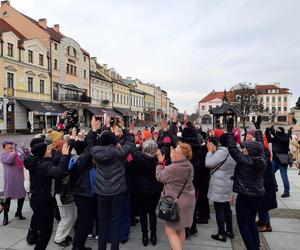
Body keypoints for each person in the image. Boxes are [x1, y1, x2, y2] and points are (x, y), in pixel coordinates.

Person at [90, 130, 134, 250]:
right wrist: (124, 131)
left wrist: (94, 131)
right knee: (115, 223)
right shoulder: (118, 153)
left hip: (101, 192)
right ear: (113, 141)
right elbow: (130, 144)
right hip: (117, 192)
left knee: (102, 224)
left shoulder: (94, 151)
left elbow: (89, 142)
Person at [24, 142, 70, 250]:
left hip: (36, 199)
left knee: (41, 226)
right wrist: (64, 155)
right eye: (48, 149)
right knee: (45, 232)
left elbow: (52, 161)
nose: (51, 151)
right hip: (43, 202)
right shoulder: (44, 165)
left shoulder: (35, 160)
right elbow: (58, 172)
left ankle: (32, 236)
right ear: (42, 153)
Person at [226, 132, 267, 250]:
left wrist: (229, 134)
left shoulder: (247, 162)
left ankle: (251, 247)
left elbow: (233, 150)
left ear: (251, 151)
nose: (243, 149)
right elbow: (261, 146)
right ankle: (256, 246)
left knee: (243, 224)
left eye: (245, 148)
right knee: (251, 221)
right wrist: (258, 133)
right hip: (258, 195)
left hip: (246, 196)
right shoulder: (262, 157)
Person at [156, 143, 195, 250]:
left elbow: (159, 177)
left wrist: (160, 163)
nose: (172, 152)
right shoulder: (189, 165)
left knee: (170, 231)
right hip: (188, 201)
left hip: (177, 204)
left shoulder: (173, 168)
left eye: (175, 151)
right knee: (180, 228)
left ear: (181, 155)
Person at [131, 140, 163, 246]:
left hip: (141, 189)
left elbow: (133, 150)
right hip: (155, 189)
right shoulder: (158, 160)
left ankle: (144, 235)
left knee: (143, 212)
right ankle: (153, 234)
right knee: (152, 212)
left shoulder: (139, 158)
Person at [205, 135, 236, 242]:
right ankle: (230, 231)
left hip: (219, 182)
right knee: (227, 207)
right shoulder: (235, 150)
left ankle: (221, 233)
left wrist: (209, 152)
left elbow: (208, 163)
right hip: (228, 182)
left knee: (219, 208)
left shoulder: (222, 151)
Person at [0, 139, 27, 226]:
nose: (10, 146)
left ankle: (19, 212)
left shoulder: (17, 152)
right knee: (7, 198)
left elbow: (24, 158)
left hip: (19, 178)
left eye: (10, 144)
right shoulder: (3, 154)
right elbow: (9, 161)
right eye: (7, 145)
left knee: (22, 195)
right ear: (4, 147)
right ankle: (5, 216)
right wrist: (14, 152)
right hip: (10, 179)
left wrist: (24, 150)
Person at [265, 127, 292, 198]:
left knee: (284, 176)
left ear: (282, 131)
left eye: (278, 130)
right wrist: (267, 131)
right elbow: (268, 139)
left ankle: (287, 192)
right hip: (275, 160)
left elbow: (282, 140)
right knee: (270, 173)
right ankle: (275, 187)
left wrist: (274, 133)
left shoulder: (285, 137)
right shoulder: (276, 138)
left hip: (282, 160)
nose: (276, 131)